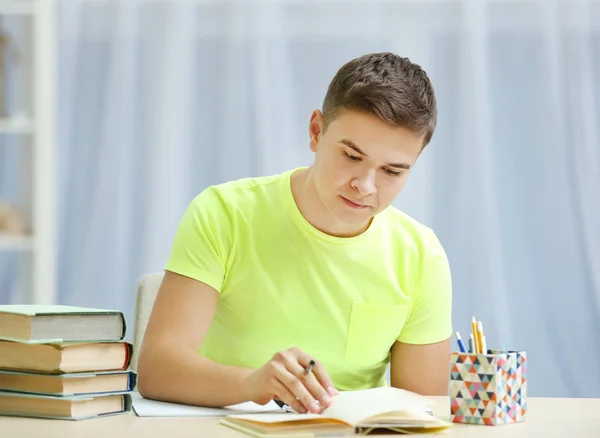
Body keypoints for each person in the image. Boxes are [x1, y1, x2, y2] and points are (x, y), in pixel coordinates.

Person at [137, 52, 452, 415]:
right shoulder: (223, 213)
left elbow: (422, 410)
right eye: (351, 156)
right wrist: (251, 384)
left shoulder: (421, 256)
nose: (365, 186)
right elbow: (158, 369)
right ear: (316, 132)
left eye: (392, 172)